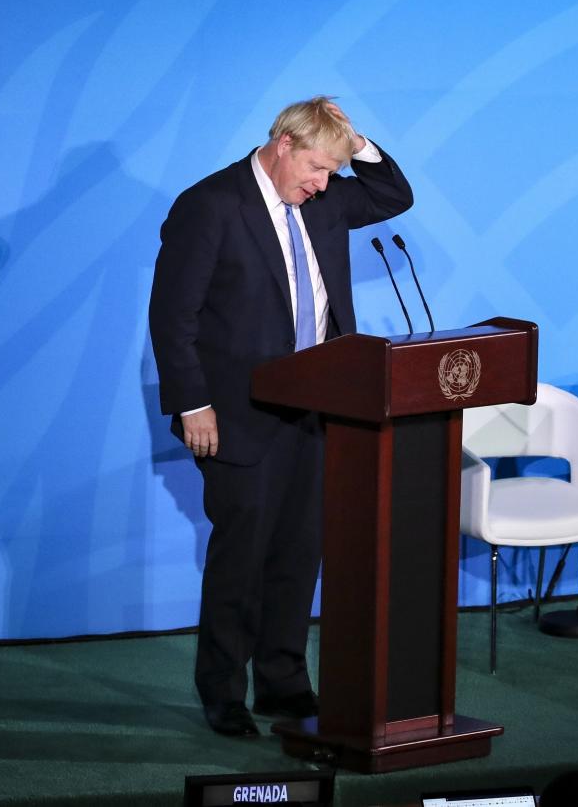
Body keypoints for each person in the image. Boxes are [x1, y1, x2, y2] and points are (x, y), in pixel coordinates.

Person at [149, 96, 413, 736]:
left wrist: (354, 137)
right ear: (284, 143)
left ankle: (284, 684)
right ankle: (224, 694)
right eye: (319, 168)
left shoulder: (324, 200)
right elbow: (172, 315)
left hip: (321, 409)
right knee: (241, 558)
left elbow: (392, 194)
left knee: (299, 554)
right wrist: (193, 402)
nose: (325, 185)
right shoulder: (209, 205)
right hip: (237, 413)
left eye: (333, 172)